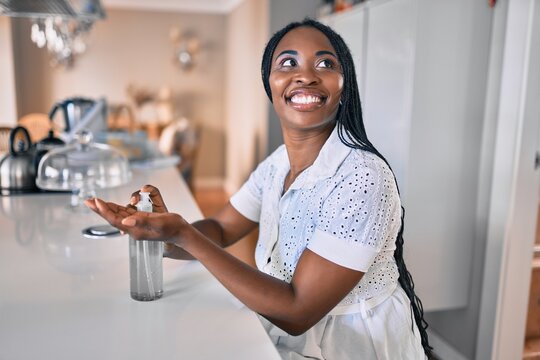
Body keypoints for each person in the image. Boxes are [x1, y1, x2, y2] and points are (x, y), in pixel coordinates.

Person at [86, 19, 433, 360]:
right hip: (280, 334)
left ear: (344, 86)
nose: (307, 75)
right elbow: (222, 228)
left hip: (352, 346)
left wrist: (183, 234)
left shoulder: (363, 178)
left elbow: (297, 310)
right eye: (288, 62)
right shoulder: (278, 163)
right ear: (270, 85)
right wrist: (162, 234)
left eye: (326, 63)